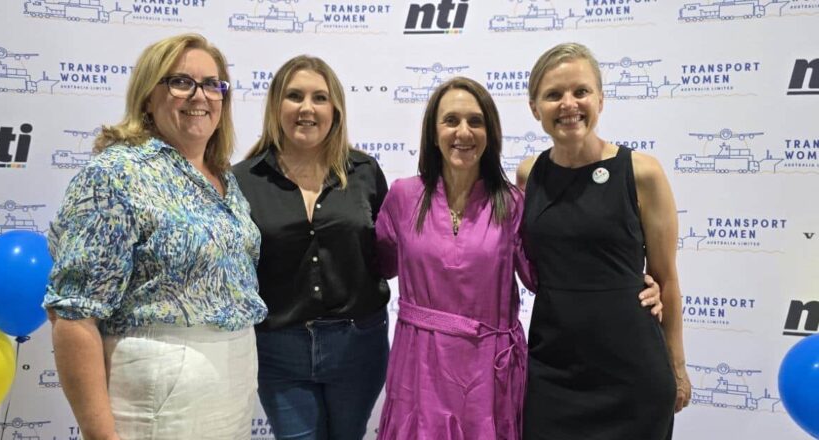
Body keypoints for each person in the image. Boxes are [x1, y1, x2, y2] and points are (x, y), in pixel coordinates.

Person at [374, 77, 663, 439]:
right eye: (450, 121)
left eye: (475, 121)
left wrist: (625, 282)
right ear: (433, 133)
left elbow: (548, 274)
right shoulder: (403, 197)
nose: (463, 132)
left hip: (487, 371)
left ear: (491, 133)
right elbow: (376, 265)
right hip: (420, 366)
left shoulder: (511, 202)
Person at [43, 34, 266, 440]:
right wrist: (100, 433)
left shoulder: (223, 177)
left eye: (212, 84)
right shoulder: (116, 174)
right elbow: (74, 314)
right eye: (181, 82)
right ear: (148, 96)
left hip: (232, 385)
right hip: (158, 392)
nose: (200, 95)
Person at [521, 42, 690, 440]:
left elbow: (666, 279)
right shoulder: (528, 175)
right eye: (553, 95)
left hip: (633, 374)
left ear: (600, 99)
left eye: (580, 91)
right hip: (552, 371)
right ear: (535, 108)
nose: (569, 104)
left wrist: (677, 368)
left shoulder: (642, 173)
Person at [232, 55, 389, 440]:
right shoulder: (243, 180)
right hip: (278, 349)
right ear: (276, 106)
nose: (307, 108)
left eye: (320, 97)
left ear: (335, 109)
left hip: (358, 345)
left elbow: (388, 252)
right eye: (295, 96)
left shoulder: (365, 172)